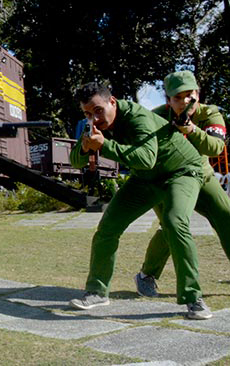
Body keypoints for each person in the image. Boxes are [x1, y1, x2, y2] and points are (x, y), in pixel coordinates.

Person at [68, 82, 212, 320]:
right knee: (108, 227)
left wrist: (105, 145)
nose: (94, 117)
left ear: (112, 102)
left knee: (174, 222)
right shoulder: (91, 124)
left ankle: (193, 297)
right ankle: (96, 292)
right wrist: (85, 147)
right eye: (86, 113)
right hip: (146, 178)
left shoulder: (137, 117)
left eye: (98, 110)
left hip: (181, 171)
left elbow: (145, 158)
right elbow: (76, 161)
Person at [135, 71, 230, 298]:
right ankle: (146, 275)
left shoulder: (210, 113)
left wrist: (190, 129)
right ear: (168, 100)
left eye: (190, 95)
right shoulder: (154, 117)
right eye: (178, 97)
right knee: (172, 226)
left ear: (198, 94)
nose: (185, 101)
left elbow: (216, 148)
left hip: (202, 176)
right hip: (165, 180)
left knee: (226, 215)